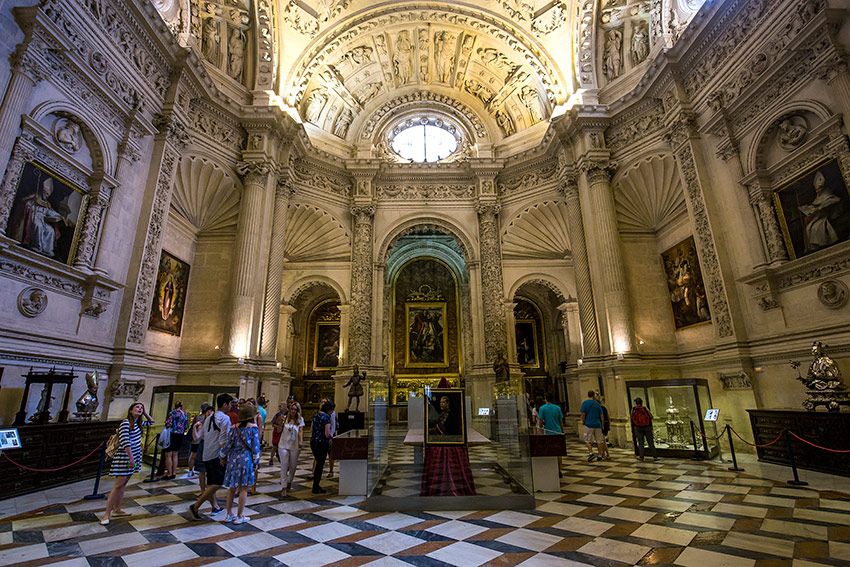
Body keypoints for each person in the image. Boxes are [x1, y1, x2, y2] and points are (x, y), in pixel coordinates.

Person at [101, 402, 152, 525]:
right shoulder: (125, 423)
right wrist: (131, 459)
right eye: (137, 407)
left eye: (141, 407)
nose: (140, 409)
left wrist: (145, 413)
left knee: (124, 484)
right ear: (130, 410)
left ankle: (117, 509)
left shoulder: (138, 424)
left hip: (134, 457)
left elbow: (151, 422)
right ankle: (106, 514)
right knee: (118, 485)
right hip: (126, 458)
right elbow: (125, 441)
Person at [189, 394, 232, 520]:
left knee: (212, 482)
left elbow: (198, 437)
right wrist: (224, 455)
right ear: (225, 404)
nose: (230, 407)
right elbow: (224, 439)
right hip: (216, 454)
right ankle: (196, 506)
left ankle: (215, 506)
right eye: (229, 404)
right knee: (218, 482)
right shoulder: (225, 419)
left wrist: (195, 428)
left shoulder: (209, 418)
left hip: (206, 454)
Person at [221, 402, 261, 524]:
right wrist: (256, 461)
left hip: (233, 459)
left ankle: (228, 514)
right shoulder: (253, 428)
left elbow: (228, 445)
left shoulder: (234, 428)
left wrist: (222, 456)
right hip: (246, 459)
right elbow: (255, 447)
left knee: (232, 487)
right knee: (243, 488)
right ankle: (240, 516)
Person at [279, 403, 304, 496]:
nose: (293, 411)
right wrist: (280, 423)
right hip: (283, 445)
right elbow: (278, 430)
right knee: (284, 465)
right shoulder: (285, 418)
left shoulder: (300, 420)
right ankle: (284, 486)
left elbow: (301, 431)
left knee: (293, 466)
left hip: (294, 445)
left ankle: (289, 481)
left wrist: (301, 441)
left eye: (295, 409)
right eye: (292, 409)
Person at [537, 394, 565, 476]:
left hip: (548, 432)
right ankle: (559, 469)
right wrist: (562, 431)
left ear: (546, 399)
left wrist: (541, 429)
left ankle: (552, 469)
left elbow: (541, 421)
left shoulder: (542, 408)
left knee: (550, 451)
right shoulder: (558, 408)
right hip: (558, 431)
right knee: (559, 452)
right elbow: (561, 421)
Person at [310, 400, 334, 494]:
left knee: (318, 464)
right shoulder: (326, 417)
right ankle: (315, 486)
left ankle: (316, 485)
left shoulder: (316, 415)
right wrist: (332, 436)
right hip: (322, 443)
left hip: (313, 441)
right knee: (320, 465)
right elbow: (327, 433)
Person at [161, 401, 188, 480]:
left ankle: (169, 473)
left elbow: (168, 423)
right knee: (175, 454)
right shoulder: (184, 414)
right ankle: (174, 472)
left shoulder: (172, 413)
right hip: (180, 435)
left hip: (171, 434)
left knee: (168, 454)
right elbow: (186, 426)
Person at [580, 390, 606, 462]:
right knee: (599, 441)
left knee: (587, 440)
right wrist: (602, 424)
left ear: (588, 395)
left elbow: (583, 414)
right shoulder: (597, 404)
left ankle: (591, 453)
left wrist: (583, 421)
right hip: (597, 424)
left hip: (588, 424)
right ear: (594, 395)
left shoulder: (585, 403)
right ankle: (600, 455)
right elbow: (601, 415)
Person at [188, 403, 211, 477]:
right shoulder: (208, 418)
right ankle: (204, 470)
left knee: (192, 455)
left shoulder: (197, 417)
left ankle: (190, 470)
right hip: (203, 439)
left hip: (196, 440)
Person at [269, 402, 287, 467]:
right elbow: (272, 423)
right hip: (277, 432)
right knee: (275, 446)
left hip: (283, 433)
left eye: (281, 406)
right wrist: (278, 427)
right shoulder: (277, 415)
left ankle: (281, 458)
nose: (280, 407)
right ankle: (271, 459)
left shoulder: (287, 415)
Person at [596, 392, 611, 460]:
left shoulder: (598, 409)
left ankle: (605, 454)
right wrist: (609, 425)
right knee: (603, 440)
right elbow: (608, 417)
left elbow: (601, 417)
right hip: (606, 424)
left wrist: (601, 425)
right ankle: (604, 453)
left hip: (601, 425)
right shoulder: (604, 408)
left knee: (602, 441)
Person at [326, 400, 338, 478]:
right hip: (322, 437)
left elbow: (333, 426)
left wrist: (331, 436)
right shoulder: (321, 413)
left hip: (330, 436)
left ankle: (331, 470)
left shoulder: (332, 414)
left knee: (330, 453)